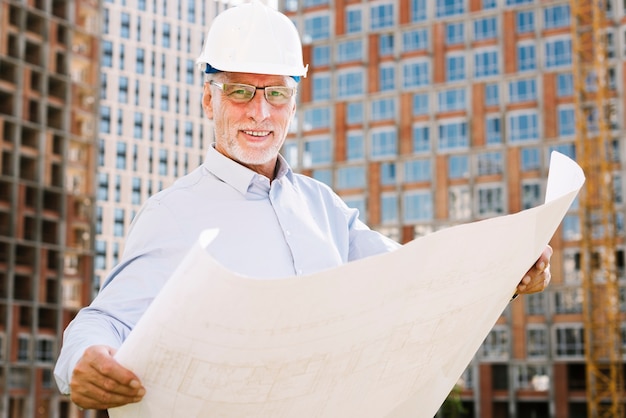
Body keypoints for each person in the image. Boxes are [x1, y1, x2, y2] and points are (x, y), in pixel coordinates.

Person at [54, 1, 553, 411]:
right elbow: (105, 321)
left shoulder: (324, 207)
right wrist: (85, 360)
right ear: (209, 100)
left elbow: (414, 278)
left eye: (276, 93)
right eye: (239, 91)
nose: (260, 111)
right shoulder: (172, 213)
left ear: (293, 104)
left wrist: (507, 268)